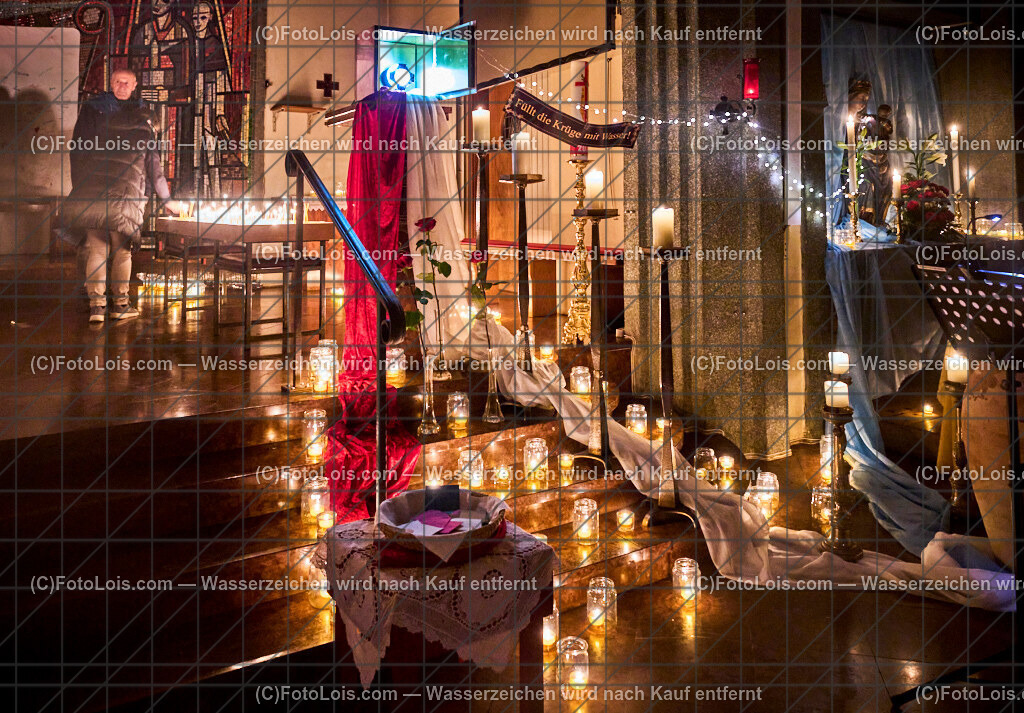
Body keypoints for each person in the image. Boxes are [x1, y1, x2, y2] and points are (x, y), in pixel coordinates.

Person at [66, 68, 188, 322]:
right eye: (118, 82)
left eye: (126, 82)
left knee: (98, 250)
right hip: (125, 195)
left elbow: (78, 152)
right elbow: (154, 169)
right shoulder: (142, 125)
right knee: (121, 250)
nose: (122, 86)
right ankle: (119, 305)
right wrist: (168, 201)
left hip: (95, 192)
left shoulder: (97, 114)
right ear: (112, 84)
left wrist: (80, 189)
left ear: (134, 86)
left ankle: (97, 307)